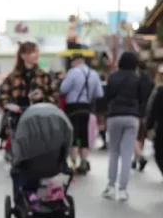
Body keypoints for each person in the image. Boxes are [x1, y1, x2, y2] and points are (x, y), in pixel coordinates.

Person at [101, 51, 146, 202]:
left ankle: (110, 186)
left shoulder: (113, 77)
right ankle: (123, 190)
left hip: (114, 115)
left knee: (114, 151)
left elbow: (107, 97)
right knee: (127, 154)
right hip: (132, 117)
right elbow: (141, 98)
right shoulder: (137, 79)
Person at [59, 53, 104, 174]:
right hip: (87, 108)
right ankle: (84, 161)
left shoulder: (72, 72)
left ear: (75, 61)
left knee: (73, 135)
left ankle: (73, 163)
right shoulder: (93, 74)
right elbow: (99, 93)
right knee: (83, 135)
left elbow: (63, 89)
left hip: (72, 108)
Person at [133, 62, 155, 171]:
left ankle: (138, 157)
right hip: (147, 112)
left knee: (135, 136)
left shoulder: (137, 80)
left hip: (137, 111)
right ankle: (137, 156)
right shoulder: (151, 81)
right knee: (141, 135)